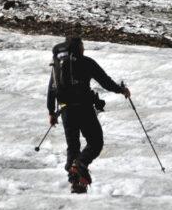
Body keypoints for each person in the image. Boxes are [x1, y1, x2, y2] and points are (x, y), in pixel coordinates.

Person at [47, 36, 130, 193]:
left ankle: (75, 183)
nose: (83, 48)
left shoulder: (57, 65)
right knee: (95, 142)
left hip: (65, 110)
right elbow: (105, 81)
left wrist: (51, 112)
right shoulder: (86, 62)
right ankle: (80, 165)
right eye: (82, 46)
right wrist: (121, 90)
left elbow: (51, 89)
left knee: (73, 146)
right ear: (78, 47)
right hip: (84, 108)